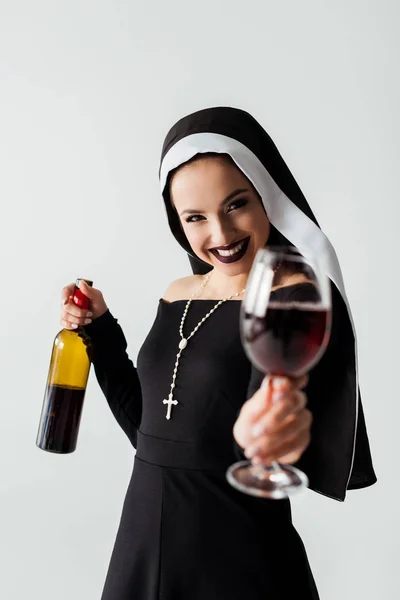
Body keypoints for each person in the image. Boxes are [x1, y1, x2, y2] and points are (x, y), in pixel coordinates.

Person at [60, 107, 376, 600]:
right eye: (195, 218)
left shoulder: (293, 297)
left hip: (234, 550)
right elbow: (146, 430)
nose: (221, 235)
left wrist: (270, 425)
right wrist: (100, 330)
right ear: (176, 221)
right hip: (141, 538)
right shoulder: (178, 293)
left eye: (236, 205)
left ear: (267, 196)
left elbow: (279, 401)